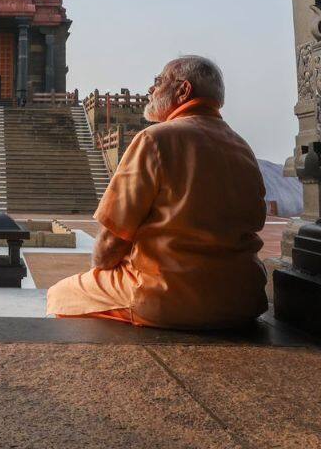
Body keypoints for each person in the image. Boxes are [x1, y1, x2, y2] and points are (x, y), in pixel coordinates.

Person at [46, 55, 268, 330]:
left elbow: (108, 246)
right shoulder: (241, 146)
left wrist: (108, 269)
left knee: (60, 295)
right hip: (243, 297)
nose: (151, 90)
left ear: (183, 90)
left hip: (167, 297)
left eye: (159, 81)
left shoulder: (155, 139)